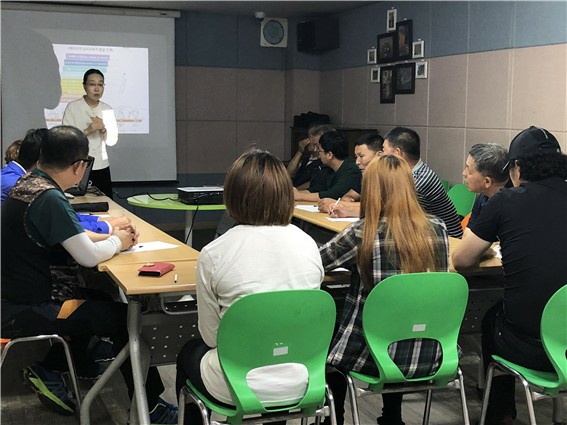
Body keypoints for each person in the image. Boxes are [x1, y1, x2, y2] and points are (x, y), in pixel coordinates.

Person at [1, 126, 177, 423]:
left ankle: (61, 365)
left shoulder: (29, 185)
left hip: (18, 298)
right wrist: (117, 241)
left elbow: (71, 236)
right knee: (130, 321)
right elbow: (87, 256)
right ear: (79, 166)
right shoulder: (48, 197)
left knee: (101, 298)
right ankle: (149, 409)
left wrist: (110, 237)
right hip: (30, 308)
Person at [176, 148, 324, 424]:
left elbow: (212, 338)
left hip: (236, 383)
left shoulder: (214, 253)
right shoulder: (308, 245)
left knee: (188, 352)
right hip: (304, 377)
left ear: (231, 196)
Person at [319, 155, 450, 425]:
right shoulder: (438, 228)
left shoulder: (363, 233)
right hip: (431, 348)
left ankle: (336, 418)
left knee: (328, 336)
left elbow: (319, 261)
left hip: (373, 354)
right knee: (402, 313)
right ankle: (392, 416)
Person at [452, 126, 567, 425]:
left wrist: (487, 250)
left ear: (516, 168)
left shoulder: (505, 201)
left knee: (492, 318)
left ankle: (501, 414)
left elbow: (462, 260)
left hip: (532, 346)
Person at [1, 128, 129, 240]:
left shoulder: (20, 177)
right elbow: (63, 227)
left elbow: (62, 219)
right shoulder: (24, 186)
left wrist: (101, 220)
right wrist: (109, 228)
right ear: (42, 160)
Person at [381, 127, 463, 238]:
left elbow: (395, 215)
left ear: (398, 153)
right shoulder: (416, 172)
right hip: (431, 235)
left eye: (384, 150)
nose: (381, 155)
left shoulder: (418, 181)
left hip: (447, 239)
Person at [63, 68, 118, 197]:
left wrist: (103, 129)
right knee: (79, 200)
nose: (97, 89)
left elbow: (112, 141)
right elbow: (66, 140)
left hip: (101, 165)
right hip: (78, 165)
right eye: (92, 84)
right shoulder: (73, 107)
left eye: (100, 84)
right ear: (84, 86)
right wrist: (88, 131)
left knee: (105, 201)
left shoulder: (107, 109)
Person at [318, 132, 383, 214]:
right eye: (356, 157)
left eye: (361, 156)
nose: (357, 162)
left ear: (379, 155)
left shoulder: (388, 178)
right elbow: (350, 195)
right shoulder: (365, 176)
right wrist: (340, 204)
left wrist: (337, 204)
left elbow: (375, 207)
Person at [294, 131, 361, 202]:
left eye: (320, 151)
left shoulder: (352, 170)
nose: (318, 155)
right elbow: (317, 189)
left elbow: (333, 195)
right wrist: (294, 193)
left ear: (329, 155)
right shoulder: (329, 168)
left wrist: (300, 196)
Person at [462, 143, 509, 227]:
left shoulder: (510, 207)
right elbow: (470, 232)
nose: (464, 173)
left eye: (468, 170)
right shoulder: (483, 198)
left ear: (487, 181)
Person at [287, 123, 335, 190]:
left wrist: (295, 191)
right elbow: (289, 173)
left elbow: (315, 182)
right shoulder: (305, 157)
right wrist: (299, 152)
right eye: (309, 139)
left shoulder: (324, 161)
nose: (309, 142)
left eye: (316, 144)